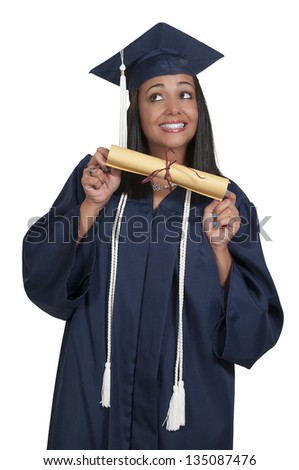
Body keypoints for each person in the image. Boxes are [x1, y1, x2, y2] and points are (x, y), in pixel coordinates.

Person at [22, 23, 283, 450]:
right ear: (136, 111)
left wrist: (221, 250)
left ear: (199, 108)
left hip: (186, 403)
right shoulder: (98, 179)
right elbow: (43, 279)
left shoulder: (226, 202)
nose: (173, 109)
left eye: (185, 93)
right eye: (155, 95)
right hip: (95, 394)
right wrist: (90, 207)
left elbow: (256, 329)